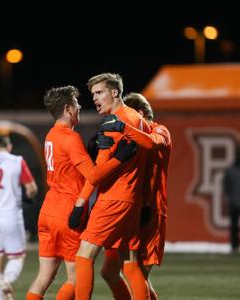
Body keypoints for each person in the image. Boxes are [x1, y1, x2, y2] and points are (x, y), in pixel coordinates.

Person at [26, 85, 137, 300]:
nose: (79, 107)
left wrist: (91, 149)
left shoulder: (51, 134)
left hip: (48, 212)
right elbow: (93, 175)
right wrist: (120, 158)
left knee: (44, 277)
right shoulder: (69, 137)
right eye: (76, 104)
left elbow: (71, 164)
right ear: (68, 109)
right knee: (77, 279)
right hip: (68, 212)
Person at [71, 73, 152, 300]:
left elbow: (97, 173)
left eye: (99, 93)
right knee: (129, 262)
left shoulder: (112, 123)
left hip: (113, 199)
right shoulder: (138, 119)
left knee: (83, 256)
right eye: (93, 94)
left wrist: (80, 202)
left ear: (115, 92)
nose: (95, 99)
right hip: (133, 201)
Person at [99, 92, 172, 300]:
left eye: (128, 116)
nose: (125, 121)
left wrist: (123, 128)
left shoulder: (160, 130)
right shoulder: (133, 135)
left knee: (139, 273)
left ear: (139, 113)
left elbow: (154, 142)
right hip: (130, 209)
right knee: (109, 272)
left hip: (152, 211)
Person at [0, 134, 38, 300]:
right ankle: (7, 280)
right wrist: (27, 195)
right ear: (8, 146)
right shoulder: (17, 160)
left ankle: (2, 296)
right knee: (17, 257)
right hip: (11, 217)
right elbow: (32, 188)